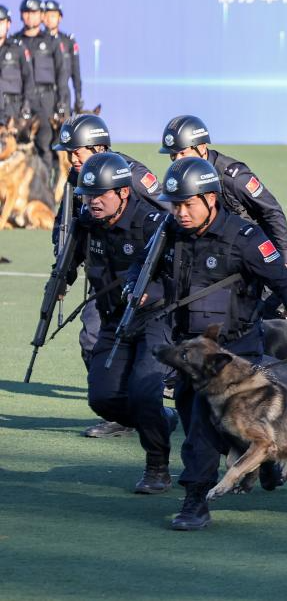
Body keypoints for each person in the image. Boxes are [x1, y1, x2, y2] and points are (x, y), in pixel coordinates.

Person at [132, 157, 287, 530]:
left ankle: (195, 502)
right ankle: (266, 458)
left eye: (188, 204)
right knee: (195, 424)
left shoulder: (247, 239)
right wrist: (135, 288)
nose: (180, 212)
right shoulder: (167, 233)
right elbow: (147, 273)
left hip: (235, 356)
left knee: (204, 429)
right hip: (191, 355)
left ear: (210, 199)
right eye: (175, 205)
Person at [65, 152, 179, 493]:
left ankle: (157, 467)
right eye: (87, 195)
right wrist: (63, 278)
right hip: (116, 318)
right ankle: (163, 419)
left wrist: (153, 291)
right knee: (103, 400)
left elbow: (178, 272)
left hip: (156, 318)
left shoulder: (153, 223)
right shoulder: (88, 221)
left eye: (100, 195)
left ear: (123, 193)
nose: (92, 202)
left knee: (145, 393)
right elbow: (74, 254)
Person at [52, 113, 166, 438]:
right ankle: (122, 410)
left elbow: (169, 220)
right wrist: (62, 273)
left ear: (99, 146)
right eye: (69, 153)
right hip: (104, 275)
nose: (72, 159)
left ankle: (152, 403)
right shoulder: (78, 179)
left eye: (77, 151)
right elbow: (68, 226)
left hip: (143, 279)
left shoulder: (133, 175)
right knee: (92, 337)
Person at [158, 115, 287, 268]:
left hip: (247, 249)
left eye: (183, 153)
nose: (177, 159)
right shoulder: (180, 176)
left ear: (202, 147)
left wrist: (285, 259)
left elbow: (271, 211)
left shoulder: (233, 177)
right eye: (173, 155)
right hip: (212, 251)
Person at [11, 0, 67, 157]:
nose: (30, 16)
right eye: (26, 12)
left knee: (46, 146)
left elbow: (61, 74)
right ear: (21, 15)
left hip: (47, 99)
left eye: (34, 12)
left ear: (42, 15)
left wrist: (61, 102)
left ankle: (46, 183)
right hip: (21, 101)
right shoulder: (15, 42)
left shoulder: (52, 41)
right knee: (19, 146)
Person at [41, 0, 82, 114]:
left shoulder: (68, 41)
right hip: (42, 95)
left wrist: (78, 96)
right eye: (46, 15)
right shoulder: (37, 42)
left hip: (63, 93)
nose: (49, 19)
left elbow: (76, 72)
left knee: (64, 129)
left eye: (53, 15)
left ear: (60, 18)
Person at [0, 4, 33, 122]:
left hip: (13, 107)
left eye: (1, 22)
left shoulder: (18, 48)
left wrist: (26, 103)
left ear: (8, 24)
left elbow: (28, 78)